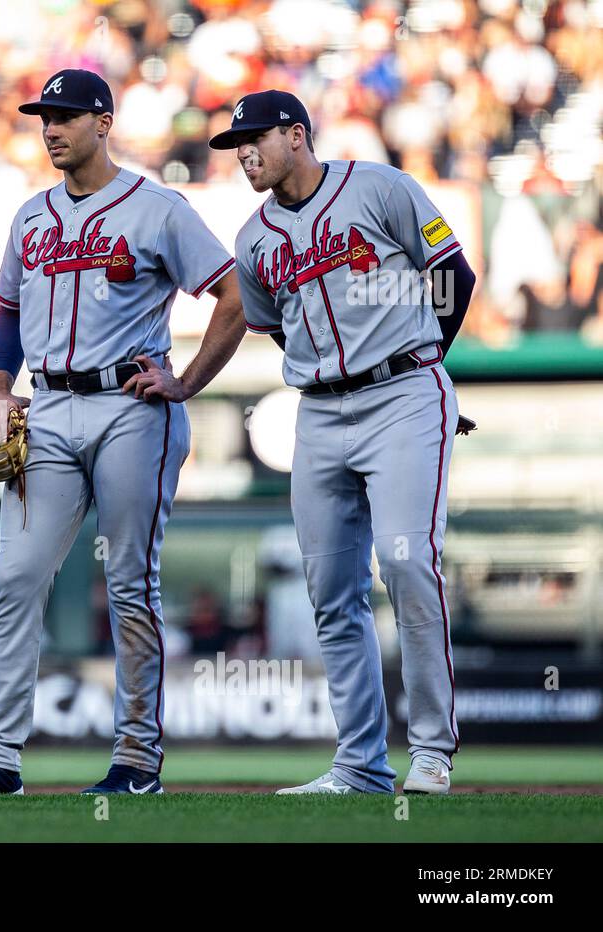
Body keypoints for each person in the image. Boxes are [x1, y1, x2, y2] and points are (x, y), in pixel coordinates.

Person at [0, 70, 246, 795]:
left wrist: (187, 381)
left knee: (129, 581)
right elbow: (9, 308)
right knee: (14, 575)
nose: (52, 127)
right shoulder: (31, 216)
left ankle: (137, 760)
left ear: (103, 123)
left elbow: (234, 294)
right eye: (46, 116)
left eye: (68, 116)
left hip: (131, 408)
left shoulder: (157, 208)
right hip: (47, 406)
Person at [209, 90, 477, 795]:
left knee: (409, 564)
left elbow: (453, 273)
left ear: (296, 135)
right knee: (331, 592)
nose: (243, 152)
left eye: (255, 138)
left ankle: (430, 752)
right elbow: (270, 324)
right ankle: (360, 765)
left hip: (402, 392)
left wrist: (426, 368)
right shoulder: (252, 239)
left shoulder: (381, 186)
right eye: (236, 143)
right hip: (319, 412)